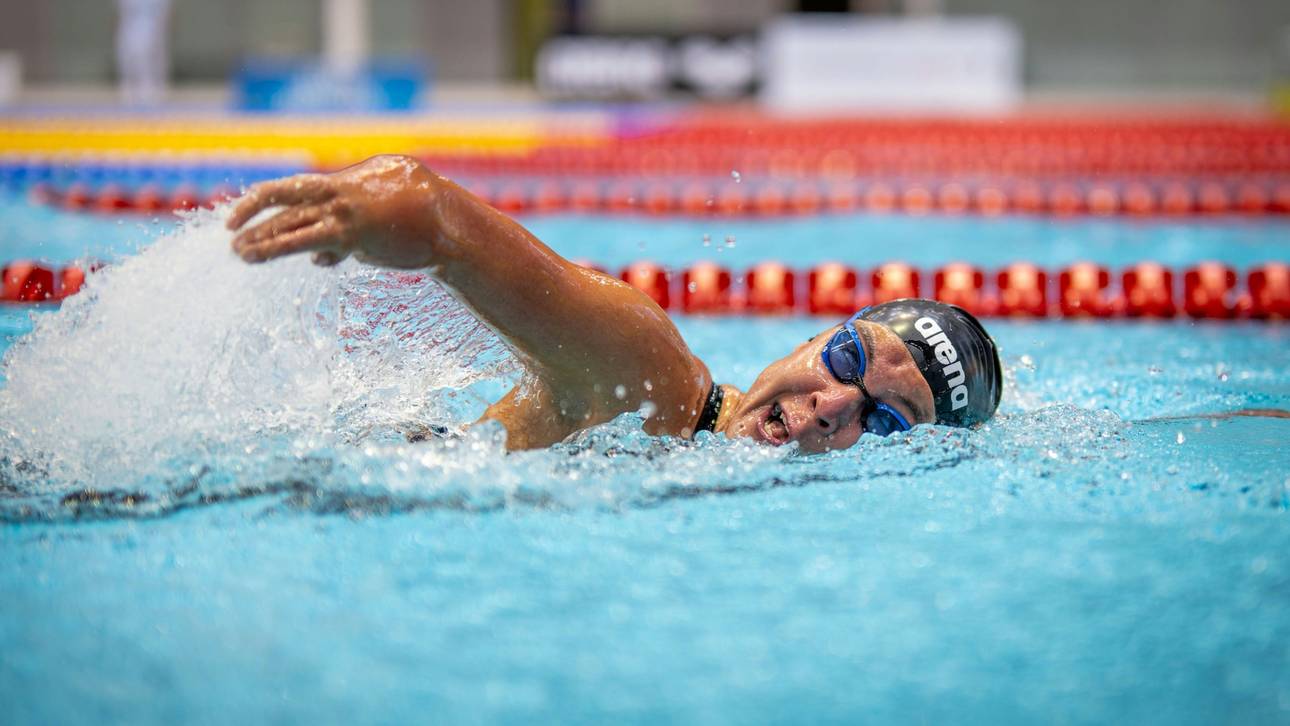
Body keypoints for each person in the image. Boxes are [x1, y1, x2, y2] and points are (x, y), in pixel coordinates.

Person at [227, 155, 1003, 452]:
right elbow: (440, 218)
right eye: (845, 359)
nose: (836, 405)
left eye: (888, 421)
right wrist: (388, 211)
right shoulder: (652, 380)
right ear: (809, 339)